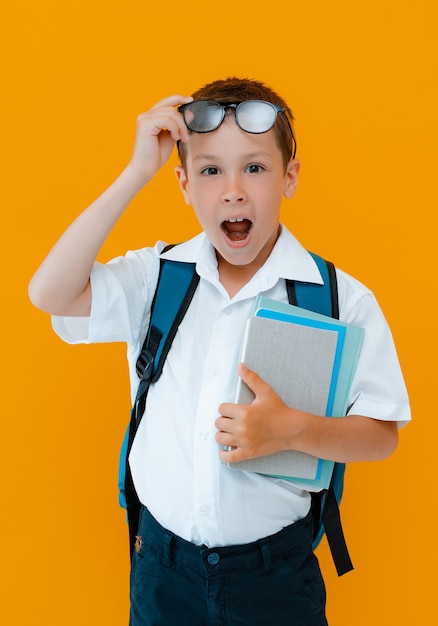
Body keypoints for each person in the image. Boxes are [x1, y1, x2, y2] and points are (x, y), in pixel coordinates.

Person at [29, 77, 411, 625]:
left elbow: (381, 435)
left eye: (254, 167)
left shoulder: (339, 297)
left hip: (275, 581)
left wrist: (291, 430)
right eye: (210, 171)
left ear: (290, 177)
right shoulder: (155, 279)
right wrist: (138, 171)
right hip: (163, 574)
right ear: (183, 184)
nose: (233, 190)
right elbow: (50, 294)